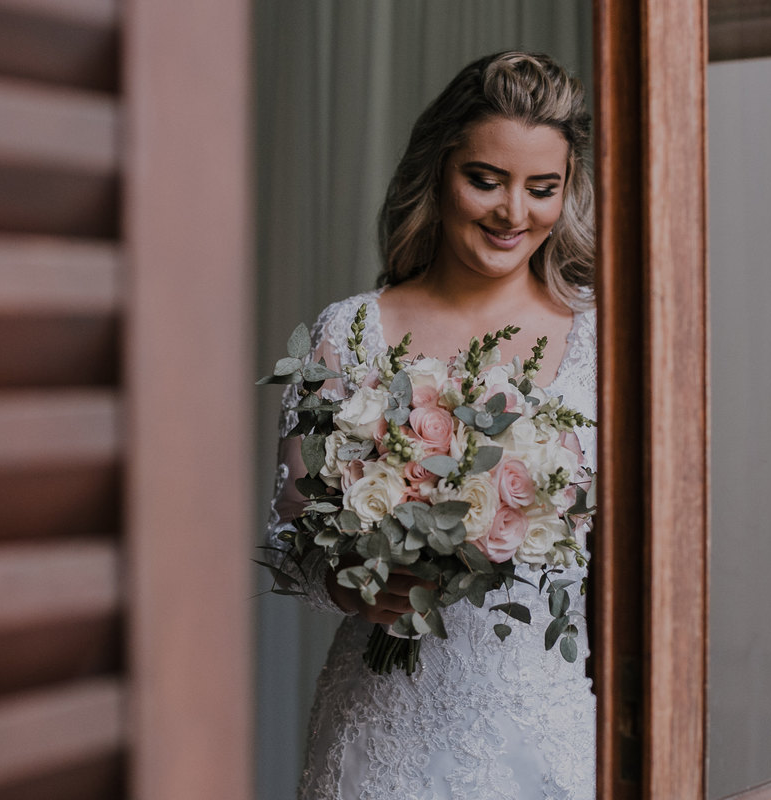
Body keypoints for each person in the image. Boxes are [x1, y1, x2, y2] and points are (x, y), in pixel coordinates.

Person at [266, 50, 597, 800]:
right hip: (390, 734)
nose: (515, 214)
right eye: (487, 180)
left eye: (542, 188)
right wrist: (358, 587)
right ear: (438, 170)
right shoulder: (350, 333)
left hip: (547, 729)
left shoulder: (604, 344)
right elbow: (291, 546)